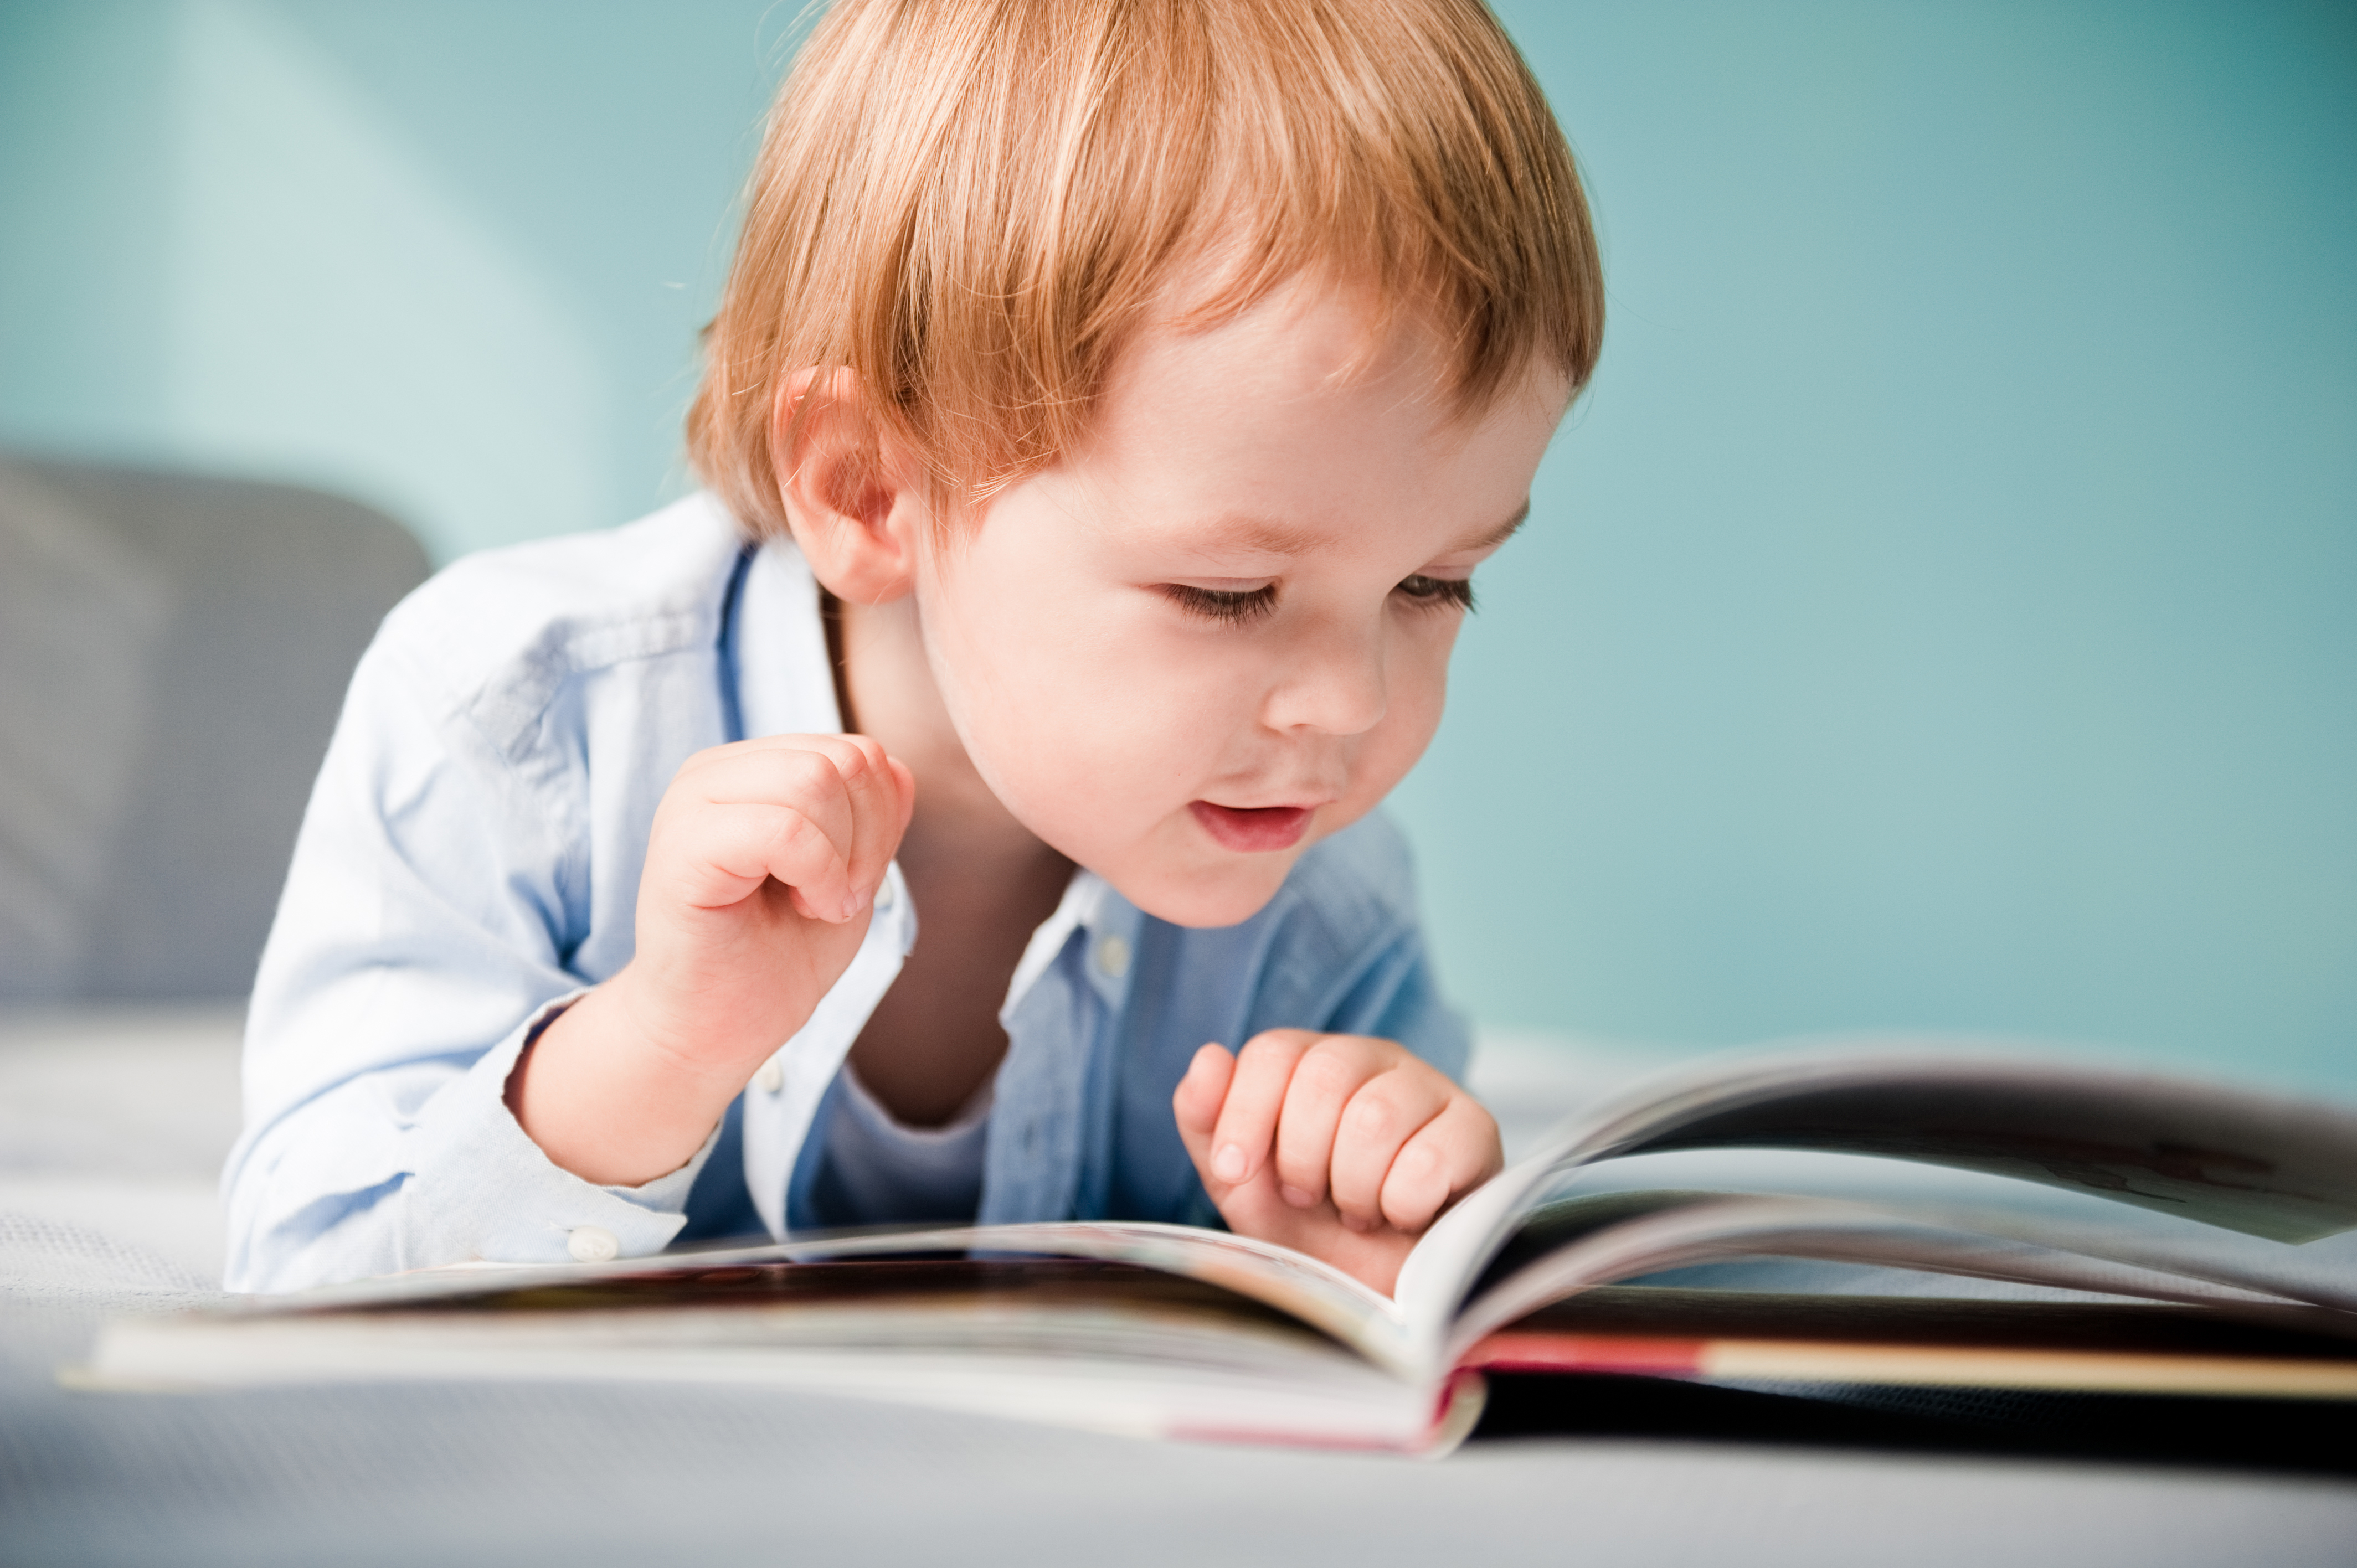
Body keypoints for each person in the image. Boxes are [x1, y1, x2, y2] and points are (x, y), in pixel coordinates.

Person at [223, 0, 1603, 1297]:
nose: (1348, 704)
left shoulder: (1319, 893)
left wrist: (1365, 1248)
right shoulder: (517, 721)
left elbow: (1388, 1295)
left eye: (1435, 585)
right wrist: (656, 1052)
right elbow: (306, 1282)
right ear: (870, 491)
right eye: (1228, 593)